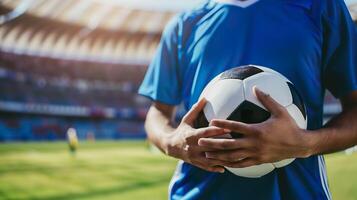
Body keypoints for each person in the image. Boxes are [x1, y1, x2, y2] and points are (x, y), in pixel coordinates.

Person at [138, 0, 357, 199]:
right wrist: (171, 141)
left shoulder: (321, 6)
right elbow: (157, 113)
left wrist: (305, 144)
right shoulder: (184, 24)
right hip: (197, 192)